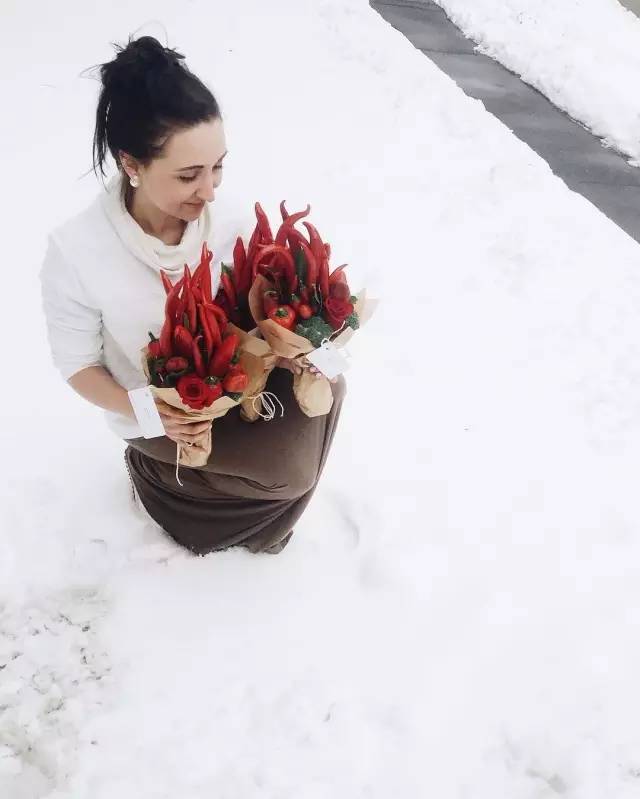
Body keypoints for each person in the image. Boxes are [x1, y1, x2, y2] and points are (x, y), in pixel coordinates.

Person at [39, 34, 346, 555]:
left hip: (238, 383)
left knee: (332, 392)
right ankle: (161, 485)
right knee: (290, 476)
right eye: (188, 175)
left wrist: (302, 341)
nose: (210, 191)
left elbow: (263, 310)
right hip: (161, 410)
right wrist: (153, 412)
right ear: (131, 164)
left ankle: (239, 519)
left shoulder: (227, 220)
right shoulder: (77, 251)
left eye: (218, 166)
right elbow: (77, 365)